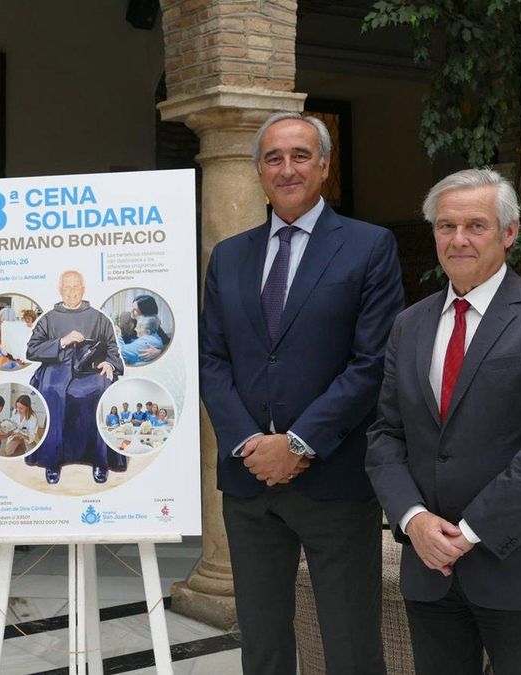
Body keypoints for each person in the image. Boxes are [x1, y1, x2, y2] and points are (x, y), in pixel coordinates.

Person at [365, 168, 521, 675]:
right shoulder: (410, 324)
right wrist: (414, 520)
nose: (458, 239)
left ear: (509, 233)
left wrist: (469, 532)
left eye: (475, 225)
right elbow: (386, 435)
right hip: (429, 569)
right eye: (446, 226)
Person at [199, 112, 404, 675]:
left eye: (299, 155)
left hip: (333, 479)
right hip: (248, 482)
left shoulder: (369, 247)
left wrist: (298, 442)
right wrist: (248, 443)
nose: (286, 168)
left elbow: (372, 363)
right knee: (261, 645)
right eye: (273, 158)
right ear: (259, 171)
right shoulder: (229, 256)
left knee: (351, 645)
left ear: (324, 166)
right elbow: (212, 361)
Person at [25, 270, 126, 484]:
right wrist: (62, 341)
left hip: (91, 370)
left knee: (102, 389)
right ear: (60, 290)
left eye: (76, 287)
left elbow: (112, 350)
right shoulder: (49, 319)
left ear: (83, 289)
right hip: (56, 369)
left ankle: (100, 460)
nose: (72, 292)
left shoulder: (99, 319)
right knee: (51, 390)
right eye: (67, 287)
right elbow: (31, 350)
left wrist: (110, 363)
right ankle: (52, 460)